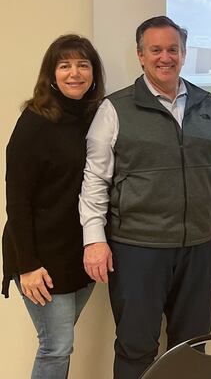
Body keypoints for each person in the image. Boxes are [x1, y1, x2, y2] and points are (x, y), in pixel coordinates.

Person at [79, 15, 211, 379]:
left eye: (173, 49)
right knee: (136, 346)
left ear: (184, 54)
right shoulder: (115, 109)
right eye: (155, 50)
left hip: (198, 247)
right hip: (137, 248)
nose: (165, 57)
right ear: (140, 55)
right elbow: (94, 180)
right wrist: (94, 241)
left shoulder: (208, 105)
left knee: (193, 347)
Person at [3, 34, 106, 378]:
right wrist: (28, 264)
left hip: (78, 253)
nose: (74, 73)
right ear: (51, 74)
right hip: (40, 257)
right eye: (65, 66)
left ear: (94, 72)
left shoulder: (95, 117)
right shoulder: (35, 121)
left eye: (82, 64)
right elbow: (17, 198)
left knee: (59, 341)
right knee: (56, 347)